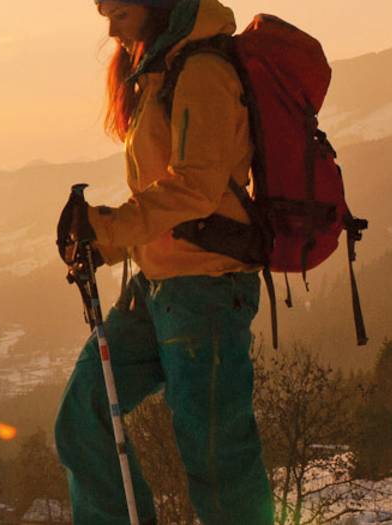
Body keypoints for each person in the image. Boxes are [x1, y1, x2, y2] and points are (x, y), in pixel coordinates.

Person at [53, 0, 272, 523]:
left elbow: (194, 189)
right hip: (158, 288)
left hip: (208, 291)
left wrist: (107, 226)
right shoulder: (158, 72)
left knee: (216, 456)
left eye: (119, 12)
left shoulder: (202, 72)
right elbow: (165, 201)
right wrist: (105, 245)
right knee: (83, 418)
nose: (109, 27)